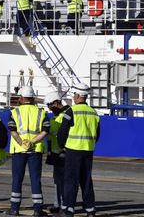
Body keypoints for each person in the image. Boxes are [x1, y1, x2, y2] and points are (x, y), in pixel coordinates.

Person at [57, 83, 100, 217]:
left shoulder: (71, 111)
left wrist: (61, 145)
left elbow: (62, 132)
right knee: (86, 180)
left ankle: (69, 209)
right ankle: (90, 209)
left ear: (77, 96)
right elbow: (97, 134)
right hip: (88, 151)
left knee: (71, 180)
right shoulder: (93, 112)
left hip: (73, 150)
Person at [7, 86, 49, 217]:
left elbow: (12, 131)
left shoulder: (14, 112)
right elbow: (45, 131)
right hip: (35, 150)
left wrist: (22, 143)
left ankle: (14, 208)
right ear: (33, 98)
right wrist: (32, 142)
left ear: (21, 98)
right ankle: (37, 209)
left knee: (17, 179)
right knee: (35, 179)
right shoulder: (41, 112)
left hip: (19, 150)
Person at [44, 91, 70, 215]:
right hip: (55, 154)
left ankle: (65, 206)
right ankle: (57, 204)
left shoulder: (66, 115)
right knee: (57, 180)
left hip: (64, 154)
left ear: (56, 102)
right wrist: (50, 153)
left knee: (64, 181)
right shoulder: (55, 116)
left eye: (50, 105)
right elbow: (51, 137)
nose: (49, 108)